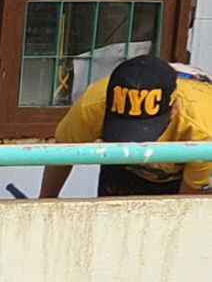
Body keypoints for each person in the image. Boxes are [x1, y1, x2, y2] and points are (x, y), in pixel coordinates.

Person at [39, 54, 212, 199]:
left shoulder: (202, 128)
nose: (134, 143)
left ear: (173, 109)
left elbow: (188, 201)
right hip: (123, 170)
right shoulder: (93, 104)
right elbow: (62, 154)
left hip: (187, 169)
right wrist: (45, 203)